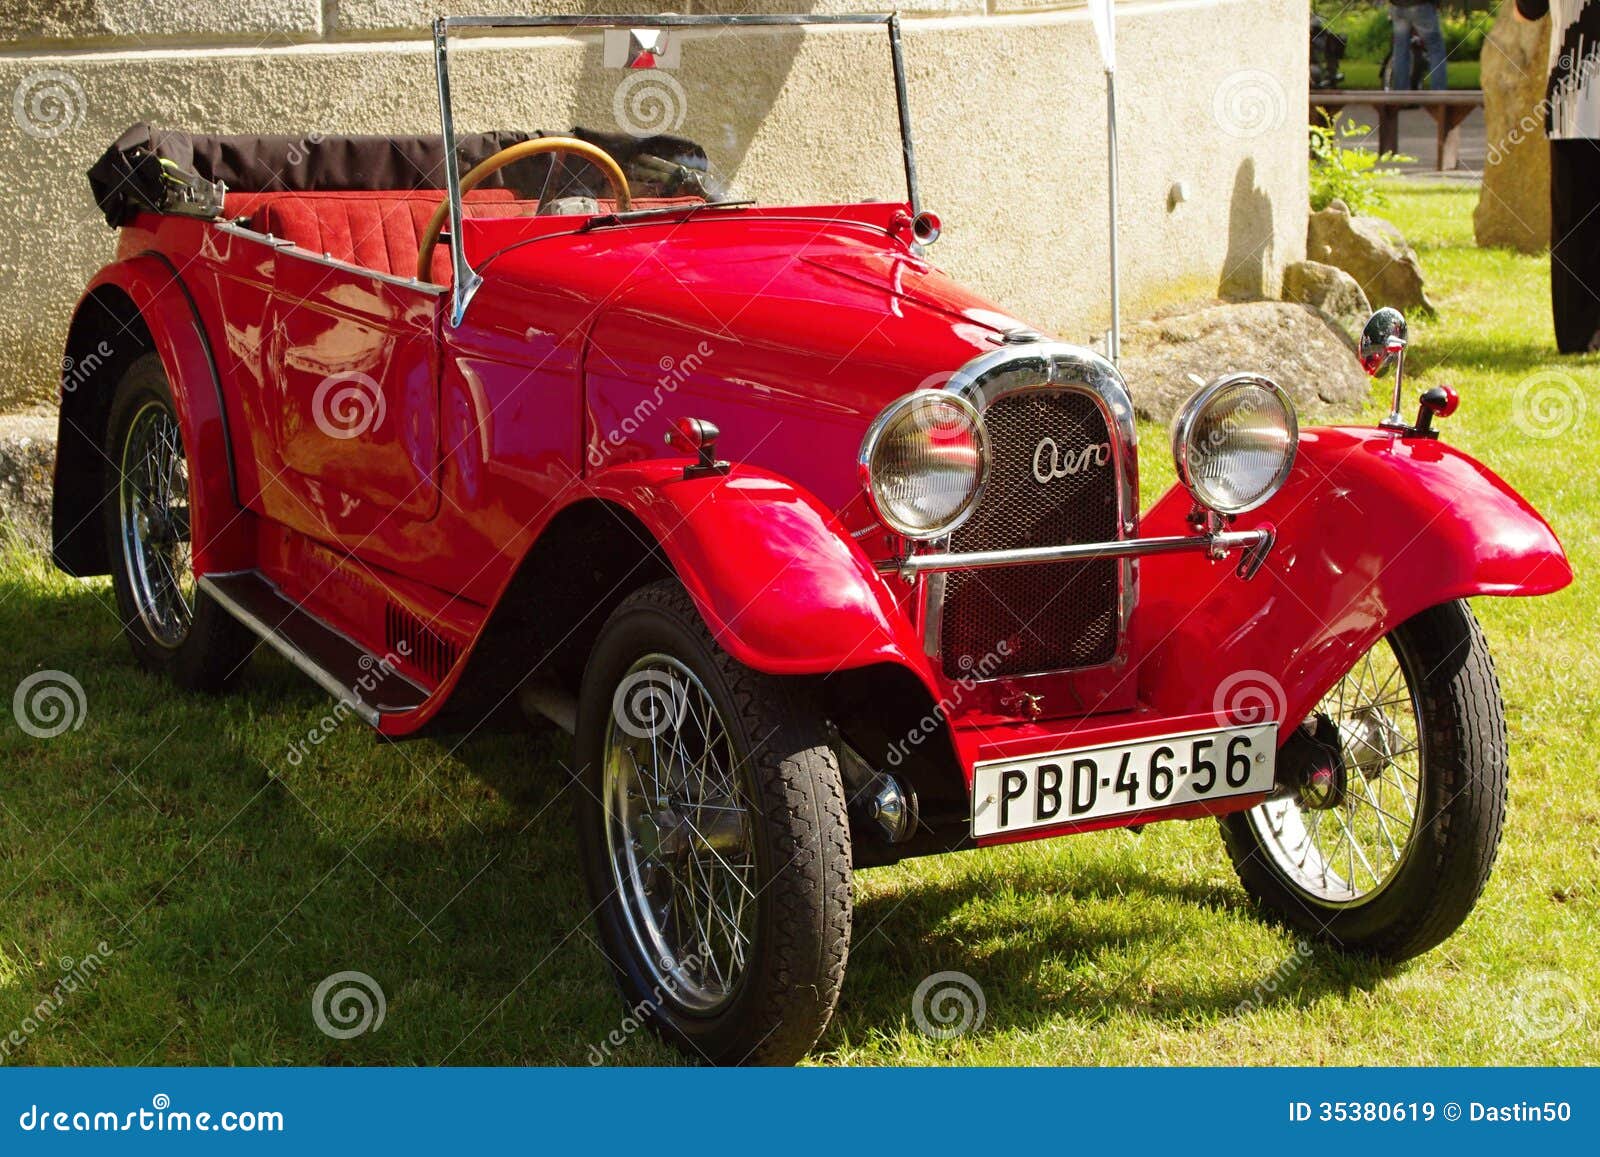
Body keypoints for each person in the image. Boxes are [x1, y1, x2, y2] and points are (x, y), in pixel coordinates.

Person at [1516, 0, 1600, 353]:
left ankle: (1577, 334)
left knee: (1573, 226)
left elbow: (1528, 9)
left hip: (1573, 100)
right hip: (1573, 100)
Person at [1389, 1, 1449, 91]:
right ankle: (1438, 94)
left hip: (1397, 6)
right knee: (1436, 49)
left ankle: (1400, 95)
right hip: (1421, 4)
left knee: (1400, 50)